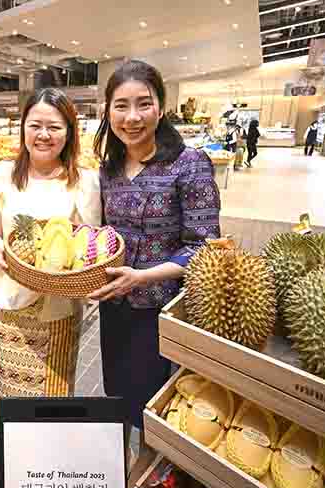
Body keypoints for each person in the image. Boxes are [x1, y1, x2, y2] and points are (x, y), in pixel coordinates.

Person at [87, 60, 221, 462]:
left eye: (143, 104)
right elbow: (104, 236)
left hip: (162, 308)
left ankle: (142, 482)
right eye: (121, 105)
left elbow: (204, 245)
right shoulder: (108, 169)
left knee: (152, 407)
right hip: (115, 306)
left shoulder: (188, 163)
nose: (132, 117)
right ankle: (123, 472)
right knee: (120, 397)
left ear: (160, 108)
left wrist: (142, 277)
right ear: (107, 111)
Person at [0, 88, 101, 397]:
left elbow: (88, 244)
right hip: (9, 305)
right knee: (12, 396)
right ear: (23, 128)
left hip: (59, 308)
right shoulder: (3, 174)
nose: (44, 135)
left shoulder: (84, 181)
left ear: (69, 132)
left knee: (54, 398)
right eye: (35, 125)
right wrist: (4, 252)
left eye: (55, 127)